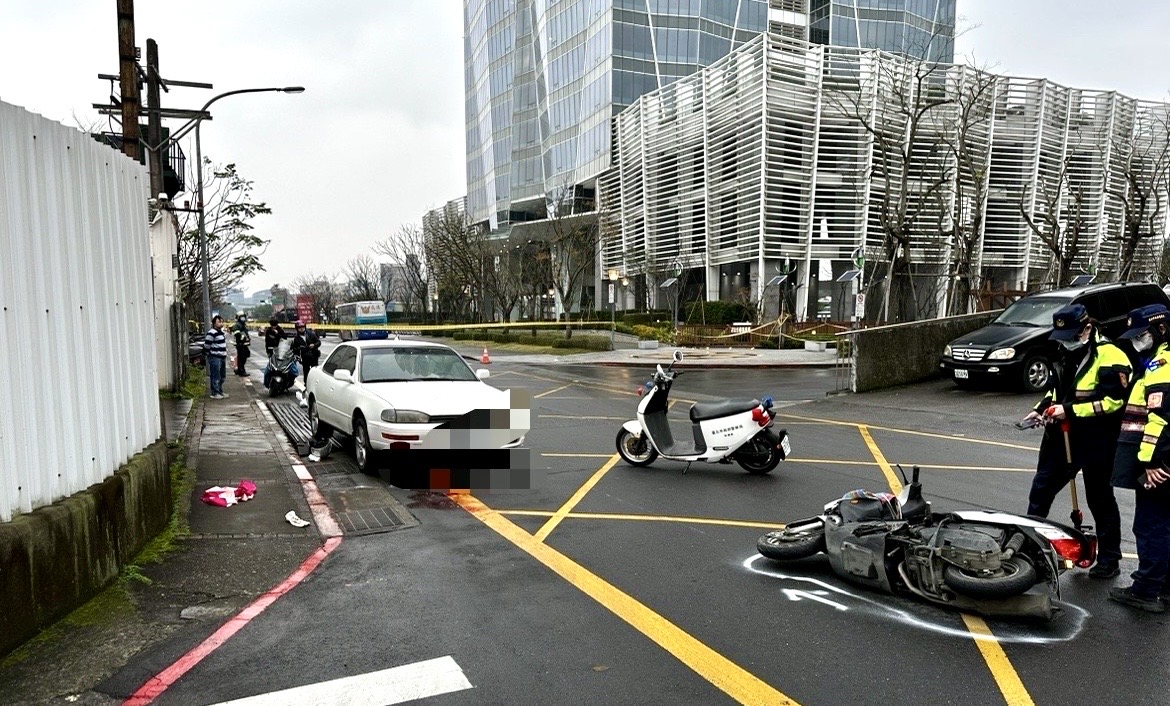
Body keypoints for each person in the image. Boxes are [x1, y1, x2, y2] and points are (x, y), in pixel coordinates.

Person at [1020, 303, 1127, 578]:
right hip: (1060, 436)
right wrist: (1041, 408)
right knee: (1041, 491)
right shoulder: (1063, 351)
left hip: (1096, 440)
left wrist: (1069, 411)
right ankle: (1029, 548)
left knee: (1100, 498)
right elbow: (1057, 390)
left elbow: (1114, 403)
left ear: (1087, 329)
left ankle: (1109, 559)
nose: (1064, 342)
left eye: (1070, 336)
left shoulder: (1111, 356)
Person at [1110, 304, 1170, 612]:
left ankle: (1146, 590)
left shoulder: (1162, 362)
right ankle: (1164, 586)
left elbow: (1159, 419)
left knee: (1151, 524)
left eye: (1141, 334)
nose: (1137, 340)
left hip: (1160, 461)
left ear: (1160, 330)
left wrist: (1151, 463)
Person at [203, 315, 229, 400]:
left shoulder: (221, 332)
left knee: (222, 376)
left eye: (222, 321)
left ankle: (220, 391)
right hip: (215, 357)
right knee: (215, 375)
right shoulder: (212, 332)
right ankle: (215, 393)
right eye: (219, 322)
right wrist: (208, 354)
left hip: (222, 357)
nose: (221, 323)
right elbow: (207, 345)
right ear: (214, 323)